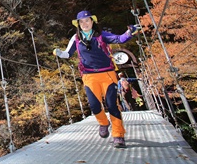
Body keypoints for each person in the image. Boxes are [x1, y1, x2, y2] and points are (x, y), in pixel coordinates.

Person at [53, 10, 138, 148]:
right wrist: (58, 53)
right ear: (78, 24)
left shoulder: (101, 35)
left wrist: (129, 32)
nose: (85, 24)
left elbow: (119, 39)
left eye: (87, 21)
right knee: (94, 106)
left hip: (107, 75)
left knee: (112, 105)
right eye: (82, 22)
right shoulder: (76, 38)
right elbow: (67, 54)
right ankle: (104, 123)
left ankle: (118, 135)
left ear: (92, 22)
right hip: (89, 76)